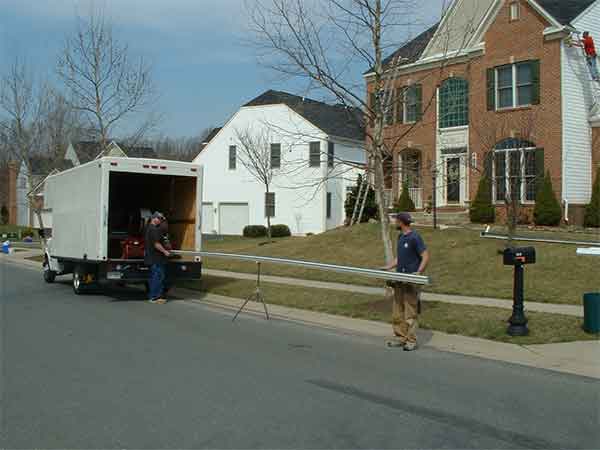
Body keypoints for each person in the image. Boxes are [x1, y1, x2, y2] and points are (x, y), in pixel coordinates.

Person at [381, 213, 430, 351]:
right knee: (397, 310)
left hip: (411, 281)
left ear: (401, 222)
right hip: (400, 279)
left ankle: (411, 340)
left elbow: (425, 256)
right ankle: (400, 337)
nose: (395, 222)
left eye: (396, 220)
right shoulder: (400, 237)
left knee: (410, 311)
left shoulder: (415, 237)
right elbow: (400, 257)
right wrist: (389, 266)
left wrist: (419, 272)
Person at [144, 212, 171, 304]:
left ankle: (155, 296)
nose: (160, 221)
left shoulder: (150, 228)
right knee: (157, 277)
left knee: (156, 276)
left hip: (154, 258)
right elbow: (156, 244)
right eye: (159, 219)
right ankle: (154, 297)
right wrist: (165, 251)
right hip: (156, 258)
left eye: (161, 219)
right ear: (154, 218)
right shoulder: (153, 229)